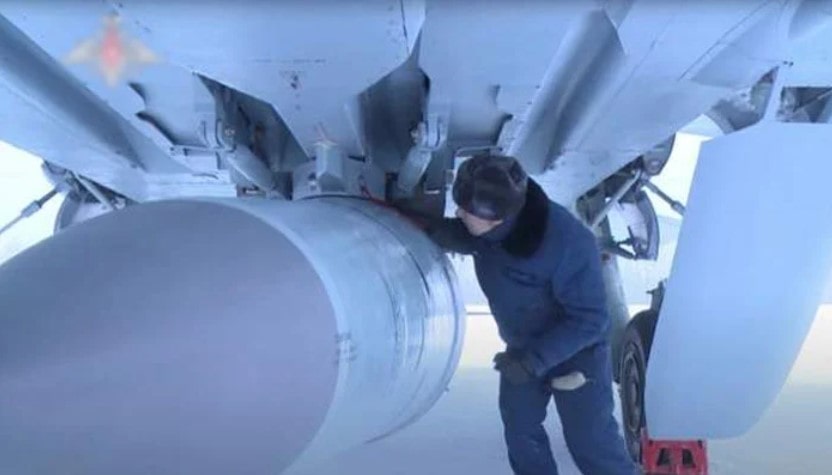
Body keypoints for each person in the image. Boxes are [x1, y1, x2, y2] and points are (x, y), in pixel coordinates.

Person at [425, 154, 638, 475]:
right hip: (522, 351)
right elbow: (480, 239)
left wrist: (532, 361)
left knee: (591, 443)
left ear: (496, 218)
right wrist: (430, 228)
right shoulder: (494, 227)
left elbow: (591, 320)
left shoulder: (568, 242)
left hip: (576, 353)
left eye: (466, 210)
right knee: (521, 435)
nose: (459, 214)